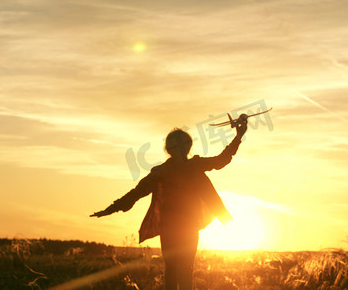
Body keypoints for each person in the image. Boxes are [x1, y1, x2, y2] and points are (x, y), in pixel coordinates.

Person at [91, 118, 248, 290]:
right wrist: (111, 208)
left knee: (180, 271)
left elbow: (221, 160)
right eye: (176, 146)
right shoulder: (164, 172)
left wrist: (238, 136)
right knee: (175, 271)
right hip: (174, 229)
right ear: (172, 149)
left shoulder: (184, 168)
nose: (180, 150)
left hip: (182, 228)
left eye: (181, 145)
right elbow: (136, 193)